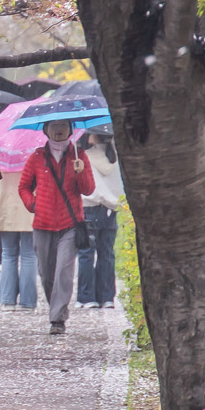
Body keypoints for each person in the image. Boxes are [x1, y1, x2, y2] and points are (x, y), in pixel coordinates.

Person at [18, 119, 96, 336]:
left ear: (71, 129)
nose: (59, 129)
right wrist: (33, 205)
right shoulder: (37, 157)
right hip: (42, 225)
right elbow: (24, 187)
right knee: (46, 274)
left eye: (63, 125)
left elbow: (88, 190)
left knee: (63, 271)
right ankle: (56, 308)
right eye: (54, 125)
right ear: (46, 129)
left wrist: (80, 172)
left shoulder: (79, 156)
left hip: (70, 225)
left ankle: (57, 319)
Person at [76, 128, 123, 309]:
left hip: (89, 209)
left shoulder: (85, 156)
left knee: (86, 253)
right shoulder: (116, 158)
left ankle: (87, 297)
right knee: (107, 254)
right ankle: (106, 296)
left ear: (94, 135)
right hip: (111, 210)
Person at [0, 174, 38, 310]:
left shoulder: (1, 161)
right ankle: (28, 302)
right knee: (29, 255)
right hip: (29, 205)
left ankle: (7, 300)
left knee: (8, 255)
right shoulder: (32, 160)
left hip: (6, 206)